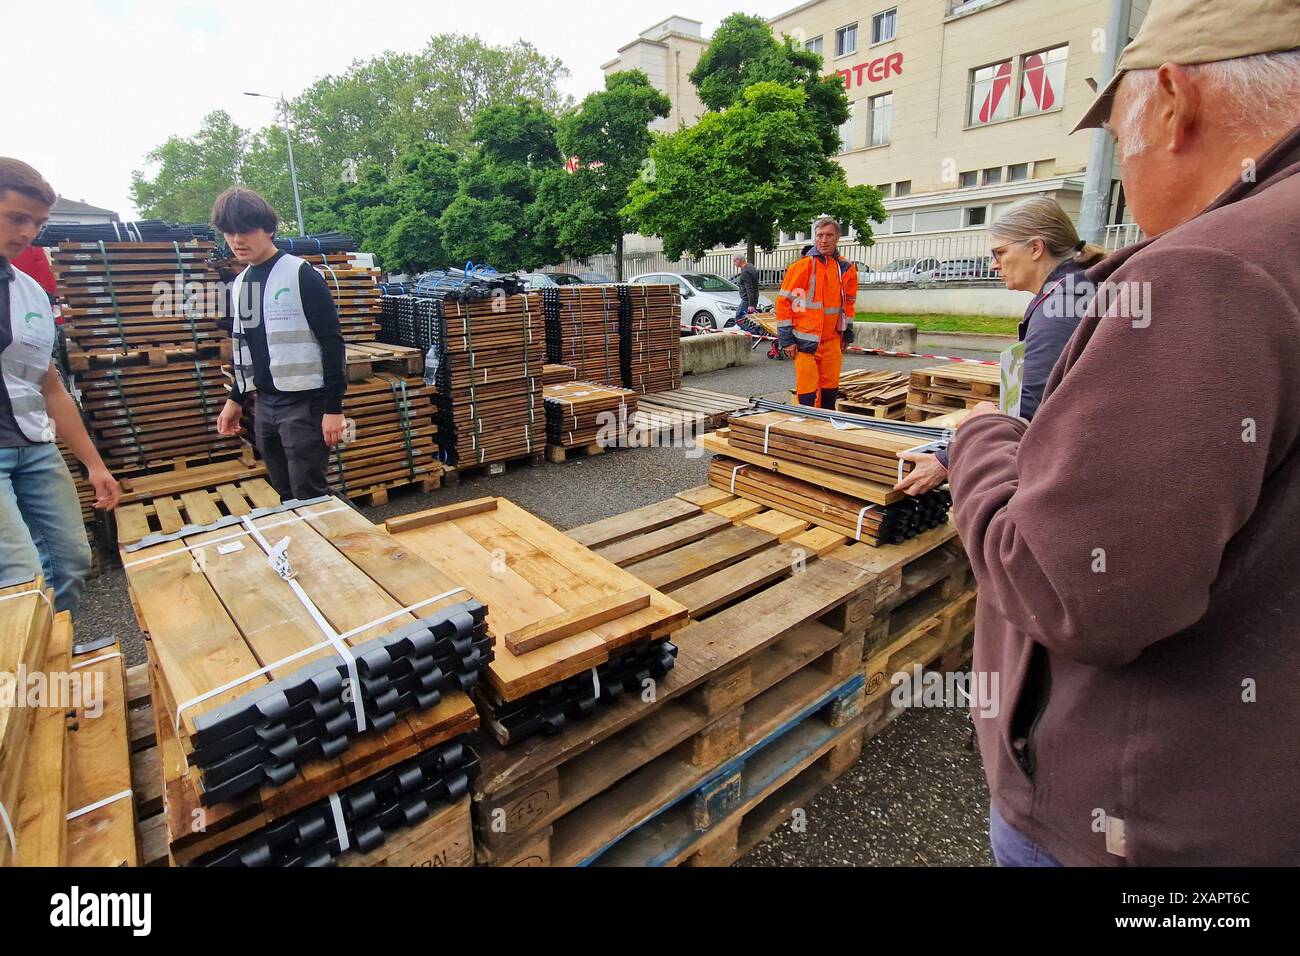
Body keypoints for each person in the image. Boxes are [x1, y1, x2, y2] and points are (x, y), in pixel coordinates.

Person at [947, 0, 1300, 866]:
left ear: (1174, 100)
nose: (1120, 164)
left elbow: (1076, 591)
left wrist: (981, 441)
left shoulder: (1212, 270)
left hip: (1135, 821)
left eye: (1121, 130)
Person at [895, 197, 1104, 496]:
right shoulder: (1073, 288)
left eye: (1000, 252)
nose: (993, 264)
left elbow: (1033, 412)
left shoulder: (1063, 304)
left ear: (1035, 248)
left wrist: (946, 460)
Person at [0, 158, 120, 614]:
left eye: (37, 222)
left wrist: (94, 464)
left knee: (70, 561)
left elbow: (49, 385)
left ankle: (53, 655)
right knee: (19, 574)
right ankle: (25, 675)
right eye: (17, 218)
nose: (28, 232)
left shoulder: (28, 291)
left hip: (34, 444)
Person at [213, 187, 346, 501]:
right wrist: (235, 399)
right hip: (266, 405)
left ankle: (353, 545)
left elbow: (332, 343)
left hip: (305, 404)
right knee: (284, 493)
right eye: (229, 232)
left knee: (309, 492)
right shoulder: (241, 283)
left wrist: (333, 409)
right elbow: (246, 348)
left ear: (269, 229)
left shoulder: (301, 275)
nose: (237, 239)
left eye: (245, 230)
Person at [775, 217, 858, 408]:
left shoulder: (845, 269)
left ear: (838, 237)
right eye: (820, 235)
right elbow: (785, 303)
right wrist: (786, 339)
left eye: (829, 235)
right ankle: (806, 427)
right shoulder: (802, 267)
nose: (824, 240)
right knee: (807, 391)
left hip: (832, 340)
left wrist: (847, 333)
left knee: (830, 388)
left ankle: (826, 427)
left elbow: (849, 304)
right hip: (805, 342)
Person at [732, 255, 758, 326]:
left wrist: (751, 304)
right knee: (748, 319)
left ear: (739, 260)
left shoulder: (745, 272)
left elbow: (749, 288)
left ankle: (749, 333)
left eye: (734, 261)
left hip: (747, 300)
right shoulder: (751, 266)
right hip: (753, 298)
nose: (734, 263)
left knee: (739, 317)